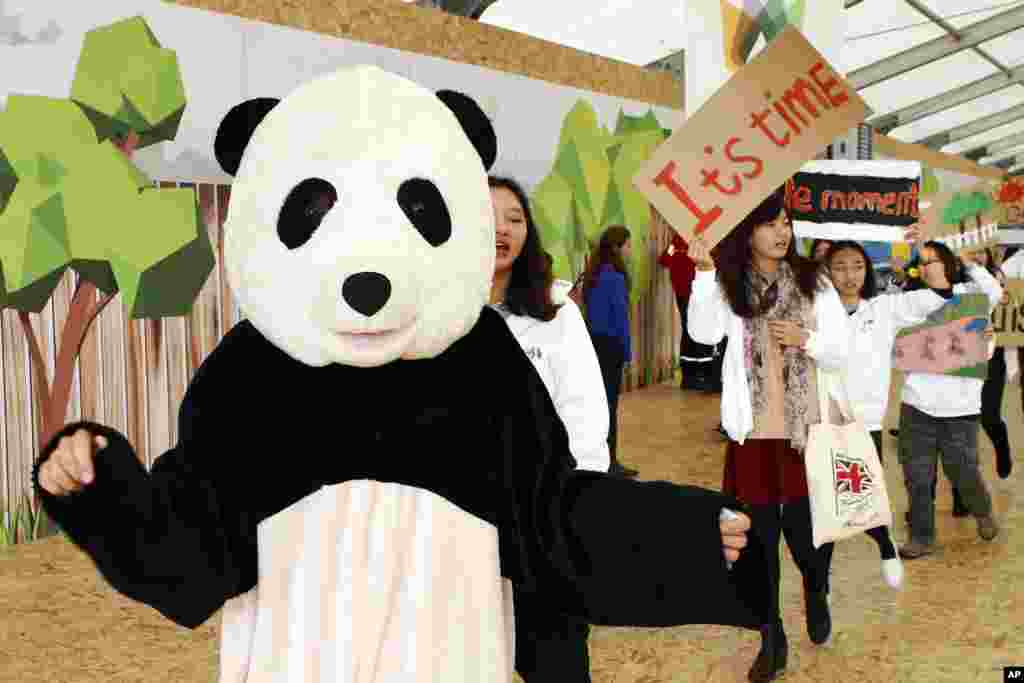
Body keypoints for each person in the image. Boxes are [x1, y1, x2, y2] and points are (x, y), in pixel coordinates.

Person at [688, 187, 849, 683]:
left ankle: (815, 587)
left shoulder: (813, 282)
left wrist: (809, 340)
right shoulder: (729, 285)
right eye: (769, 223)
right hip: (753, 437)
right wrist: (701, 273)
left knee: (808, 538)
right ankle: (771, 637)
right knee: (758, 543)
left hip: (806, 433)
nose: (781, 232)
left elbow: (843, 350)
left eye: (785, 223)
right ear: (747, 232)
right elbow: (701, 335)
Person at [487, 175, 608, 682]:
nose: (501, 228)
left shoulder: (554, 311)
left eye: (515, 218)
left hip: (543, 518)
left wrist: (576, 501)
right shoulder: (429, 317)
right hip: (462, 529)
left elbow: (583, 412)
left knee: (555, 662)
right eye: (485, 215)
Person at [824, 236, 950, 589]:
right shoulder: (815, 310)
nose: (849, 275)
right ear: (827, 272)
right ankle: (820, 583)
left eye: (857, 266)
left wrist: (929, 248)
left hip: (865, 421)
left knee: (866, 493)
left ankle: (884, 547)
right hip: (822, 421)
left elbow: (939, 294)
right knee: (822, 501)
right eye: (839, 267)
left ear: (867, 270)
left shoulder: (883, 309)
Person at [896, 241, 1003, 560]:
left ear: (948, 263)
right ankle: (921, 536)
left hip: (961, 409)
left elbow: (994, 291)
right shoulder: (911, 302)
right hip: (916, 405)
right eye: (923, 262)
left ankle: (982, 510)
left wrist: (968, 262)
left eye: (934, 261)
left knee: (964, 471)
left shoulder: (972, 295)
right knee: (917, 476)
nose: (927, 267)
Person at [582, 226, 640, 478]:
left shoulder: (594, 273)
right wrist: (627, 354)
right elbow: (621, 321)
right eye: (628, 245)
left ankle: (602, 459)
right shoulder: (614, 277)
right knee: (609, 406)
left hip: (595, 344)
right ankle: (610, 462)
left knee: (599, 404)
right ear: (617, 247)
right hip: (611, 347)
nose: (630, 250)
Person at [659, 233, 720, 392]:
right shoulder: (705, 240)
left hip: (683, 291)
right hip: (697, 291)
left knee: (689, 331)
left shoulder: (676, 240)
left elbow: (665, 259)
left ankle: (690, 376)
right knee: (698, 331)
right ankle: (701, 376)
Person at [974, 247, 1014, 480]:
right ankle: (964, 490)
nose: (976, 257)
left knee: (989, 415)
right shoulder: (953, 279)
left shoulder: (998, 279)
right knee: (963, 423)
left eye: (980, 252)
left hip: (993, 356)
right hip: (960, 358)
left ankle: (1002, 447)